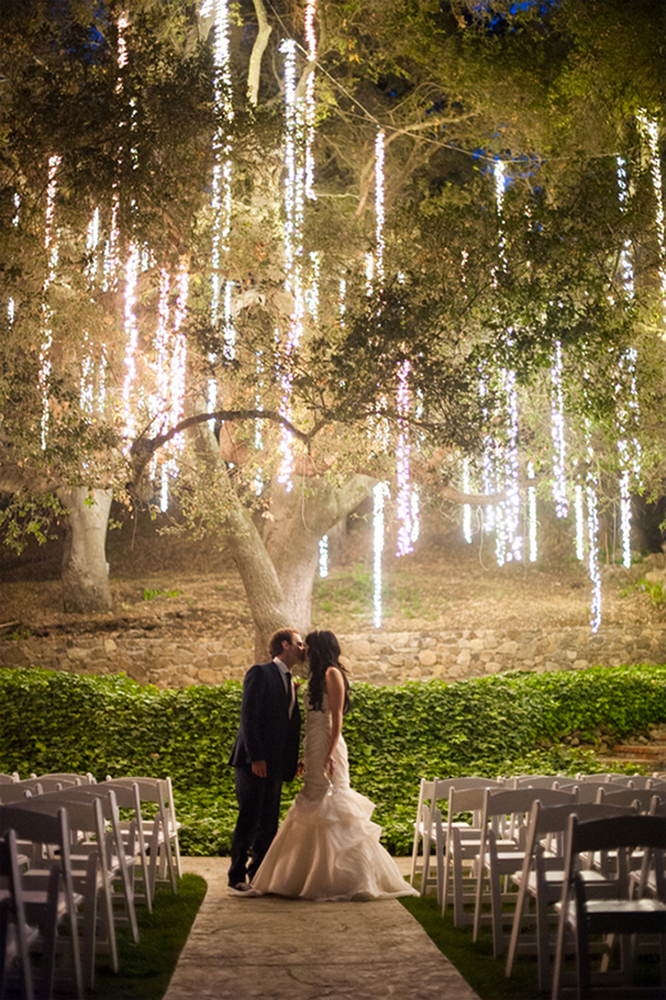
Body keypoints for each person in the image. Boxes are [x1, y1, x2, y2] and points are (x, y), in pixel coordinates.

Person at [250, 629, 418, 901]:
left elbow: (336, 717)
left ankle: (345, 878)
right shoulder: (317, 676)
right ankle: (306, 874)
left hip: (329, 743)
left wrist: (330, 751)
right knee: (312, 799)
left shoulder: (332, 674)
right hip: (314, 743)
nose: (304, 650)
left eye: (308, 646)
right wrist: (307, 755)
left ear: (319, 649)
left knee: (333, 804)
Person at [227, 628, 304, 891]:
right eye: (299, 643)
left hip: (276, 764)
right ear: (285, 645)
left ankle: (257, 874)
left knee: (269, 821)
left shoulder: (290, 680)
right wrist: (256, 757)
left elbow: (289, 726)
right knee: (249, 817)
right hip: (253, 762)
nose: (303, 648)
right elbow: (249, 717)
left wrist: (291, 761)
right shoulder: (260, 673)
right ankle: (236, 875)